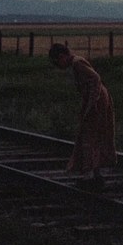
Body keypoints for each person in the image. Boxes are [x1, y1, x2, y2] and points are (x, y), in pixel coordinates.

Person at [49, 43, 117, 191]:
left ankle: (89, 176)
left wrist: (91, 103)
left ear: (61, 56)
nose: (58, 66)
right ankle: (96, 174)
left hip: (97, 101)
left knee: (88, 137)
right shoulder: (76, 62)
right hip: (98, 99)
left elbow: (95, 78)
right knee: (94, 136)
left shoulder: (77, 63)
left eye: (57, 62)